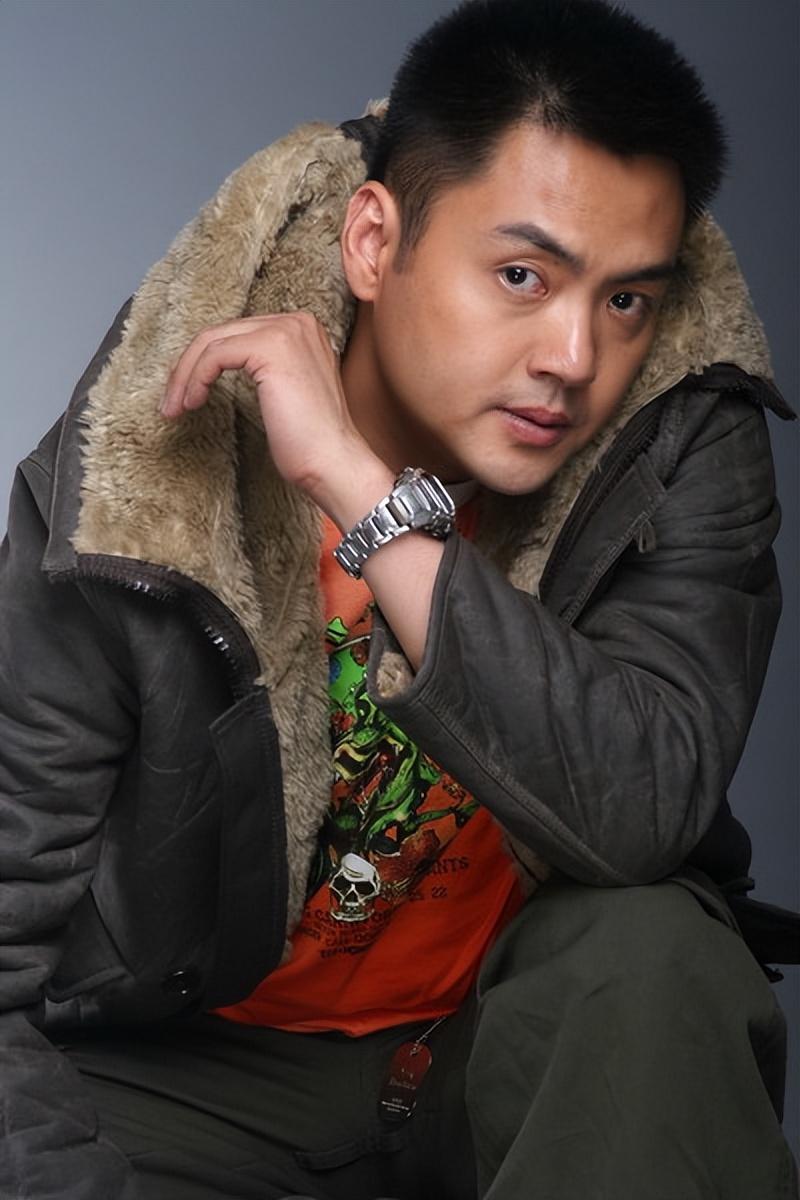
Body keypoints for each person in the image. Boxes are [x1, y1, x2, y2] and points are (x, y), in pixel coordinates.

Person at [0, 0, 796, 1196]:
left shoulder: (675, 439)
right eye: (521, 276)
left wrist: (366, 501)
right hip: (190, 1082)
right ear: (372, 243)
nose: (573, 359)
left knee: (655, 951)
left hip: (503, 1052)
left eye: (625, 300)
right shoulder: (137, 481)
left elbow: (642, 808)